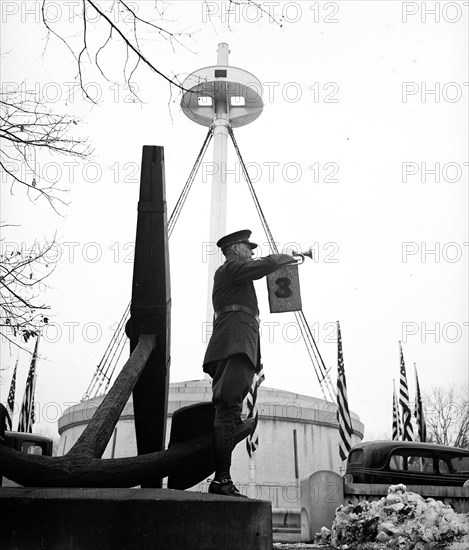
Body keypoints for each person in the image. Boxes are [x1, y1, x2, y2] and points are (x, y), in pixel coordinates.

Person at [203, 229, 293, 497]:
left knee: (230, 410)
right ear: (234, 249)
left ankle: (222, 478)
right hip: (235, 345)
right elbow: (260, 266)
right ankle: (221, 480)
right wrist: (282, 258)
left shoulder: (235, 274)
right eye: (248, 247)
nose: (252, 251)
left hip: (239, 346)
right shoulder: (230, 268)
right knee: (228, 410)